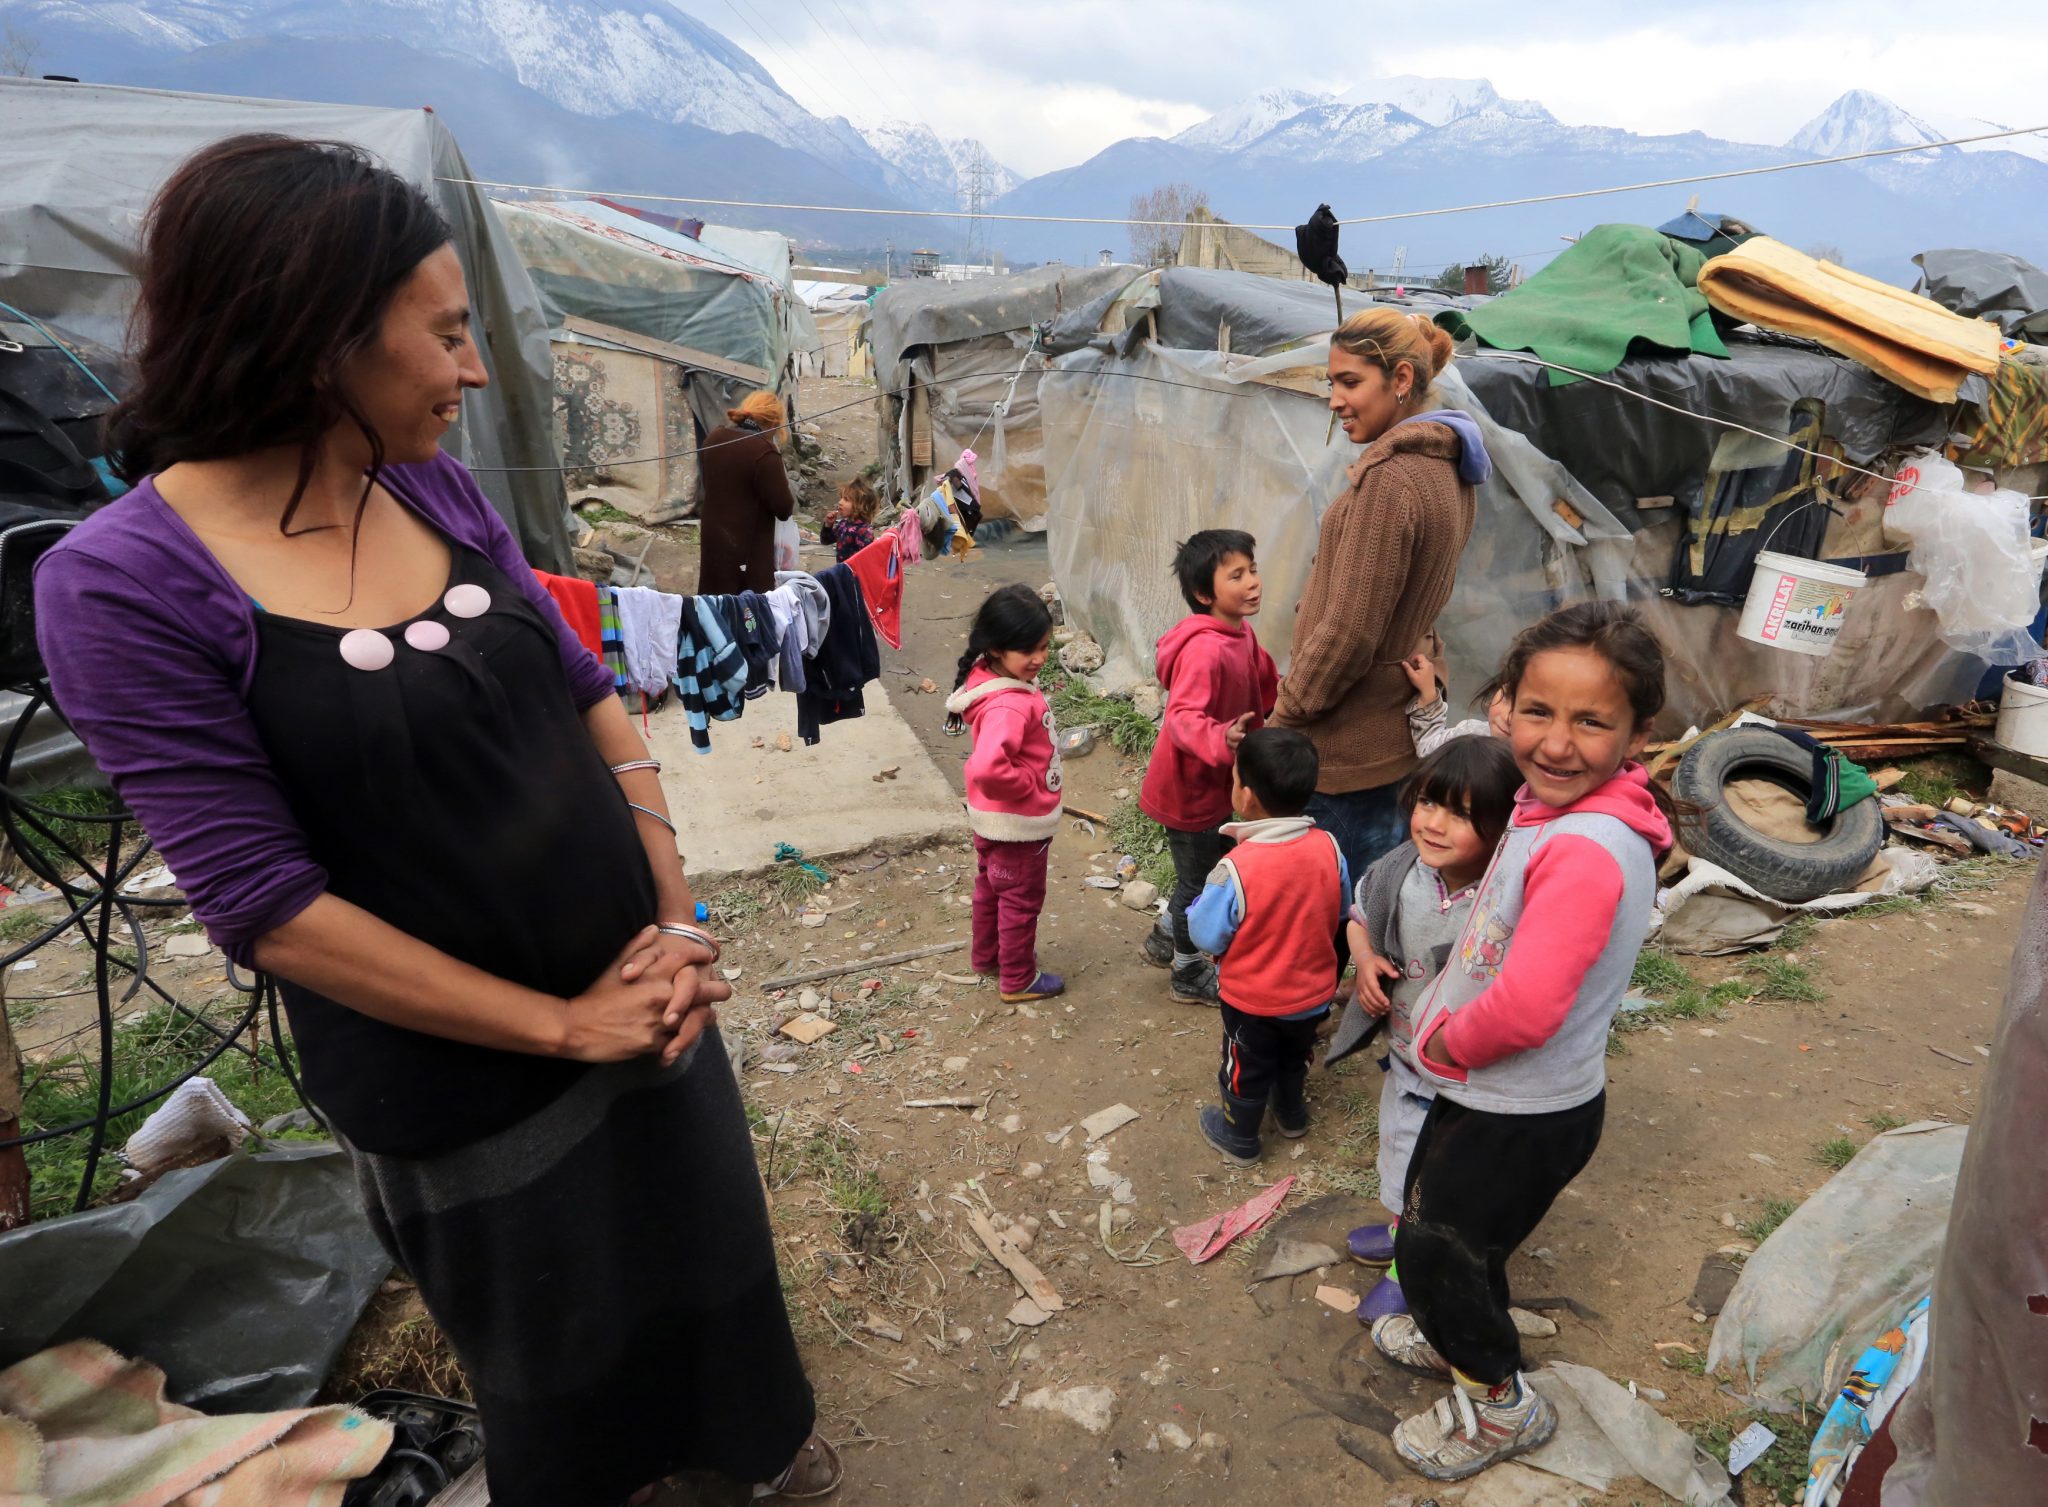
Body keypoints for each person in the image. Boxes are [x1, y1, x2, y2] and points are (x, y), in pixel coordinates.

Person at [31, 136, 835, 1506]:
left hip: (652, 1004)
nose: (474, 369)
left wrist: (670, 914)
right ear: (317, 336)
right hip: (467, 1082)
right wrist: (566, 1023)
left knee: (711, 1251)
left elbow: (588, 693)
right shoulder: (123, 585)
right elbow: (266, 903)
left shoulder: (433, 487)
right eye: (448, 332)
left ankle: (749, 1447)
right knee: (557, 1342)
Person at [1369, 601, 1673, 1483]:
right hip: (1498, 1093)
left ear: (1636, 732)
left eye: (1592, 721)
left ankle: (1504, 1404)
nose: (1557, 741)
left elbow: (1532, 1002)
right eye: (1538, 711)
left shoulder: (1586, 844)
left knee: (1434, 1253)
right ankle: (1463, 1336)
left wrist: (1447, 1041)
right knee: (1453, 1238)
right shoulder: (1549, 807)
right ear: (1505, 705)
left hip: (1517, 1100)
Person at [1271, 308, 1493, 886]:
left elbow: (1348, 633)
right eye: (1331, 383)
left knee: (1319, 915)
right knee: (1371, 905)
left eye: (1350, 382)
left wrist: (1286, 715)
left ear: (1399, 380)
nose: (1334, 400)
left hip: (1344, 746)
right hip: (1392, 730)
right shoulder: (1447, 468)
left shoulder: (1391, 483)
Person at [1335, 736, 1521, 1325]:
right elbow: (1358, 918)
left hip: (1467, 1077)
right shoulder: (1400, 872)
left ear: (1502, 825)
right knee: (1400, 1150)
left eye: (1462, 813)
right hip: (1407, 1057)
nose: (1435, 824)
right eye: (1428, 803)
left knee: (1438, 1181)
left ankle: (1408, 1271)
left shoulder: (1504, 901)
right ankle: (1400, 1230)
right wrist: (1364, 961)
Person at [1187, 728, 1349, 1164]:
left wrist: (1198, 907)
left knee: (1244, 1064)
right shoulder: (1330, 847)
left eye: (1235, 779)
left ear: (1249, 797)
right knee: (1295, 1056)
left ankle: (1238, 1136)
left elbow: (1205, 934)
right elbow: (1341, 910)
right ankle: (1292, 1115)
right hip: (1311, 994)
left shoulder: (1235, 866)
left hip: (1253, 1000)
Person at [1136, 529, 1279, 1006]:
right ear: (1204, 594)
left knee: (1204, 872)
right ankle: (1187, 972)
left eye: (1252, 569)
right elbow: (1181, 719)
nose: (1253, 582)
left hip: (1218, 784)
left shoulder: (1240, 632)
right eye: (1236, 575)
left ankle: (1163, 938)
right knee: (1199, 887)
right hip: (1190, 789)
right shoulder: (1204, 649)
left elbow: (1262, 680)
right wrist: (1222, 737)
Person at [943, 583, 1065, 1003]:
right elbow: (988, 766)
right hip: (1017, 826)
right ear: (996, 649)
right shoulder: (1009, 705)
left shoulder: (992, 679)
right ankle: (1017, 978)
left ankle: (987, 957)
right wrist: (1027, 785)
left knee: (991, 889)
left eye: (1045, 646)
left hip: (991, 819)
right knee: (1020, 900)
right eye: (1028, 650)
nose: (1039, 658)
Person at [697, 388, 796, 595]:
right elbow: (784, 507)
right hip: (747, 547)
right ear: (772, 423)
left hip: (714, 537)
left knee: (715, 601)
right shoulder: (763, 453)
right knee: (748, 612)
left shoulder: (714, 437)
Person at [1401, 650, 1512, 757]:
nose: (1508, 718)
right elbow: (1429, 750)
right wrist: (1428, 694)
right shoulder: (1472, 735)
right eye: (1508, 696)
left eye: (1529, 711)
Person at [820, 476, 879, 564]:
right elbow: (826, 540)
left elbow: (868, 560)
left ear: (860, 506)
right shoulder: (844, 524)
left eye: (846, 499)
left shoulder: (864, 531)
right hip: (842, 573)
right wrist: (828, 525)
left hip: (854, 576)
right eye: (841, 498)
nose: (840, 502)